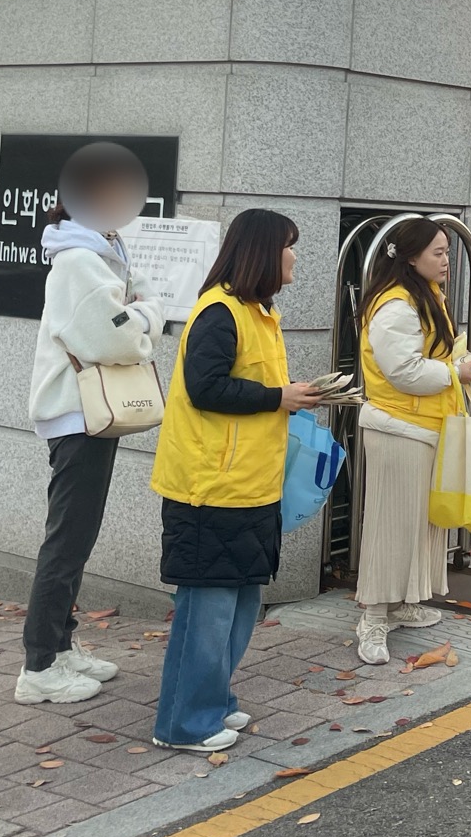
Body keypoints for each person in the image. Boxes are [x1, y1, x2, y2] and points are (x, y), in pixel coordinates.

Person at [149, 210, 321, 752]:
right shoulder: (220, 311)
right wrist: (279, 397)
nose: (295, 256)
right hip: (210, 490)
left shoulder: (257, 312)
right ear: (264, 251)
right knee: (208, 611)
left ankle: (213, 703)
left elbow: (243, 387)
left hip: (249, 486)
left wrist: (288, 395)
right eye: (289, 245)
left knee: (240, 605)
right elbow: (205, 388)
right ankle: (184, 724)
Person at [18, 146, 164, 704]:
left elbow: (145, 301)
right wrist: (144, 317)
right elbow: (119, 337)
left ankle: (60, 646)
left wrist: (140, 311)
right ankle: (38, 665)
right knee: (67, 541)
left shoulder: (106, 252)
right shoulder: (80, 261)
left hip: (87, 414)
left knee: (76, 538)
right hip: (77, 414)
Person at [353, 218, 471, 667]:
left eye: (447, 251)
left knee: (417, 524)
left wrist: (455, 366)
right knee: (392, 525)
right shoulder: (398, 305)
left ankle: (400, 603)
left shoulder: (421, 296)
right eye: (438, 253)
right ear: (411, 257)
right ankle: (373, 616)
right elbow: (404, 372)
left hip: (419, 425)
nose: (447, 261)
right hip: (399, 427)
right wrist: (455, 372)